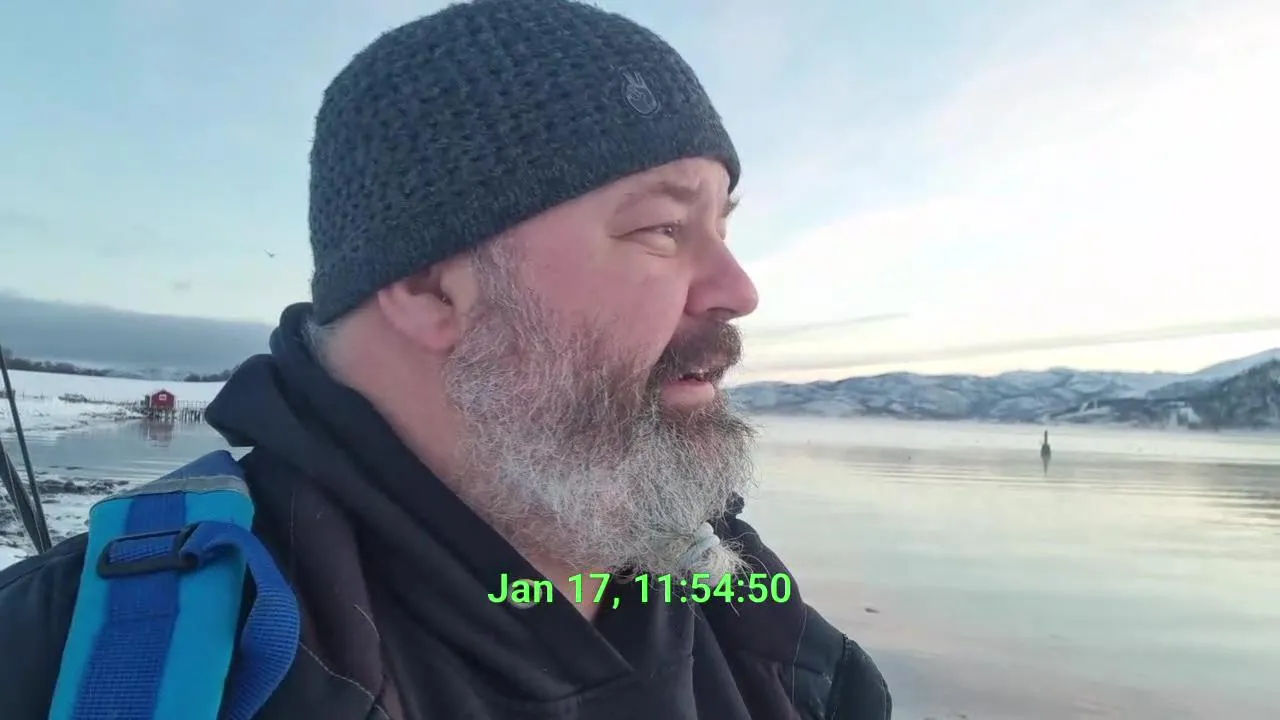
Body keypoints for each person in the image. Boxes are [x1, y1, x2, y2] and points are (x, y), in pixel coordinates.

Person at [0, 1, 892, 718]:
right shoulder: (69, 661)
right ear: (430, 286)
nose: (738, 290)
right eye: (663, 227)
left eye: (722, 228)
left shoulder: (759, 628)